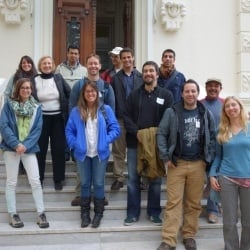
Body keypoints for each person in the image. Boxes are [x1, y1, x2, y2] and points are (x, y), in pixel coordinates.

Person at [156, 79, 216, 250]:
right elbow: (161, 134)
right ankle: (169, 240)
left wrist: (208, 157)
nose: (190, 94)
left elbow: (212, 137)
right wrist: (165, 156)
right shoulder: (172, 112)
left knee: (193, 203)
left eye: (193, 91)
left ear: (198, 93)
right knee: (173, 202)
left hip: (198, 164)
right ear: (182, 93)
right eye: (187, 91)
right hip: (177, 164)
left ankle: (189, 235)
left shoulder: (205, 113)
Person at [123, 61, 174, 226]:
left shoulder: (166, 96)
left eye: (151, 71)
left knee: (155, 179)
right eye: (145, 71)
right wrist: (137, 133)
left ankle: (154, 212)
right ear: (142, 74)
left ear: (157, 74)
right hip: (134, 143)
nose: (148, 73)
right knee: (132, 179)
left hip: (156, 144)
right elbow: (126, 115)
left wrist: (157, 136)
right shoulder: (134, 95)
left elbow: (169, 119)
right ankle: (132, 213)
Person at [65, 81, 120, 228]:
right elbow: (69, 131)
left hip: (100, 153)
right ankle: (84, 215)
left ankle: (98, 214)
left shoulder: (105, 110)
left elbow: (115, 128)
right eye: (87, 91)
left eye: (93, 91)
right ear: (83, 94)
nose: (90, 94)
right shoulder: (76, 111)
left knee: (99, 183)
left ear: (97, 94)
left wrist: (105, 140)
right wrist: (75, 143)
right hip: (83, 154)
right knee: (84, 184)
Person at [0, 78, 49, 229]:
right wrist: (15, 144)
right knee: (11, 182)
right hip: (11, 148)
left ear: (31, 90)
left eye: (28, 88)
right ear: (18, 89)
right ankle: (12, 214)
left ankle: (41, 213)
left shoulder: (36, 107)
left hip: (29, 148)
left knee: (35, 180)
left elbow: (37, 130)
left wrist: (25, 145)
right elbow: (4, 125)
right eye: (23, 88)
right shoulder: (8, 105)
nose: (26, 90)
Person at [69, 53, 115, 206]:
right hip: (83, 134)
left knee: (98, 173)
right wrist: (75, 140)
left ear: (100, 66)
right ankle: (81, 195)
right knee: (83, 171)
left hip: (100, 135)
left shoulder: (107, 86)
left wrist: (106, 138)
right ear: (86, 66)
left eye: (96, 63)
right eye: (90, 63)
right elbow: (72, 108)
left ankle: (99, 197)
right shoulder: (79, 85)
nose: (93, 66)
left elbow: (111, 112)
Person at [209, 96, 250, 250]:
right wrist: (212, 175)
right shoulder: (221, 130)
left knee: (248, 221)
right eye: (227, 106)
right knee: (229, 221)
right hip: (227, 178)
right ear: (224, 110)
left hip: (248, 178)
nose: (231, 108)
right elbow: (218, 156)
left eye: (234, 105)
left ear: (240, 106)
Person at [31, 56, 71, 190]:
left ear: (52, 65)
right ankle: (39, 178)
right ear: (40, 65)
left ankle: (58, 179)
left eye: (49, 63)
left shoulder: (58, 78)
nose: (47, 65)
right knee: (40, 150)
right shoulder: (34, 80)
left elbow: (69, 93)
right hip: (41, 119)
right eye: (44, 63)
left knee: (58, 149)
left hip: (58, 118)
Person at [110, 47, 143, 190]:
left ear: (133, 58)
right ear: (120, 60)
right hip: (120, 118)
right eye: (124, 58)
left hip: (137, 119)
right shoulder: (115, 78)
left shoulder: (141, 77)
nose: (127, 60)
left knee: (138, 150)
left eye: (129, 57)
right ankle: (119, 177)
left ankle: (138, 177)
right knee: (119, 150)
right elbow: (112, 99)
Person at [4, 55, 38, 175]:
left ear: (32, 64)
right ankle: (18, 165)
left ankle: (26, 165)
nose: (26, 65)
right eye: (24, 63)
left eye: (29, 63)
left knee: (27, 136)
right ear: (20, 64)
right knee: (17, 135)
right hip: (16, 110)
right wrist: (10, 106)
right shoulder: (15, 77)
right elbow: (7, 92)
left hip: (31, 111)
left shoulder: (36, 76)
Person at [200, 78, 224, 224]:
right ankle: (198, 207)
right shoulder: (200, 104)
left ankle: (212, 210)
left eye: (216, 86)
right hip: (202, 149)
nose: (213, 88)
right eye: (210, 86)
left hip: (220, 148)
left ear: (220, 88)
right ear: (206, 87)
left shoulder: (225, 104)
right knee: (203, 180)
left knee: (214, 179)